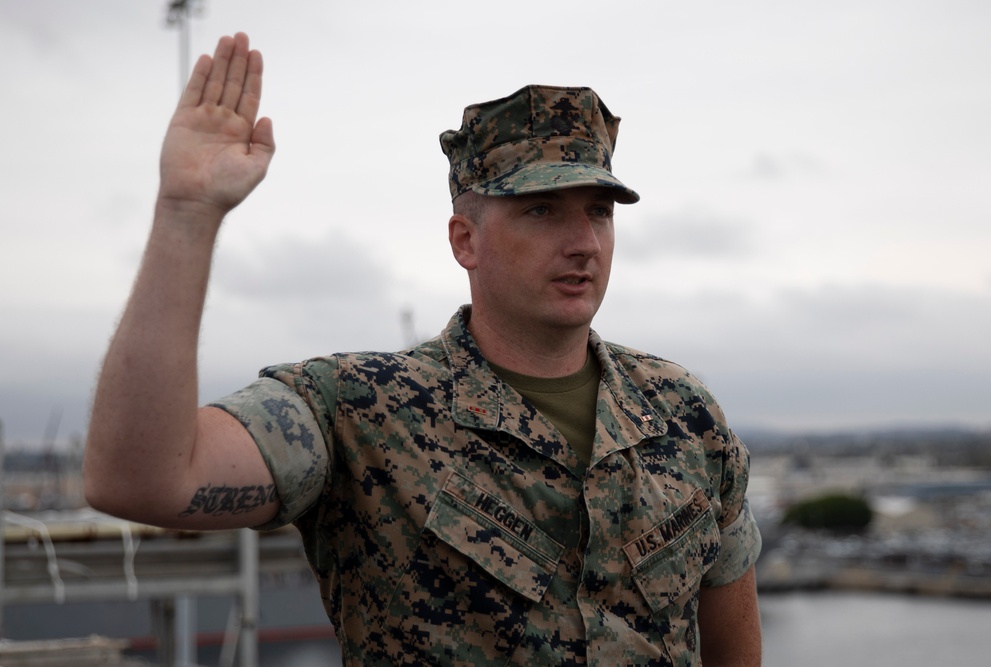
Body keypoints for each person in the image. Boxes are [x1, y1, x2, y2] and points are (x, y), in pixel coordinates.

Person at [84, 32, 762, 666]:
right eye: (542, 209)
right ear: (464, 239)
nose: (583, 240)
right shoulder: (361, 412)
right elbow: (141, 478)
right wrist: (186, 213)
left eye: (599, 211)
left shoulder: (683, 415)